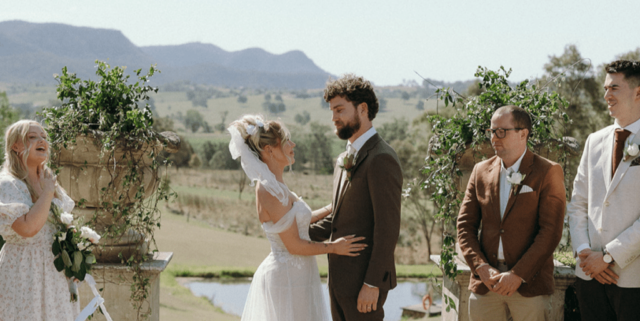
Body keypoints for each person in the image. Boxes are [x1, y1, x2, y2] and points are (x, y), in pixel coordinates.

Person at [231, 114, 366, 321]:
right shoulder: (268, 189)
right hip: (285, 278)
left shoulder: (276, 185)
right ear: (269, 150)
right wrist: (334, 247)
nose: (293, 144)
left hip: (298, 275)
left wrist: (333, 206)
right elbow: (294, 245)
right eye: (286, 141)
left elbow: (299, 220)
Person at [457, 105, 566, 321]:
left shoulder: (548, 171)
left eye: (501, 131)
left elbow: (550, 232)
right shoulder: (480, 171)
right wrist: (480, 267)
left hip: (529, 286)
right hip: (486, 285)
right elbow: (464, 227)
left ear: (523, 133)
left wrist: (518, 275)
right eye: (491, 131)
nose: (494, 138)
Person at [309, 74, 403, 321]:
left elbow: (388, 228)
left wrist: (372, 284)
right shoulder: (343, 159)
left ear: (363, 109)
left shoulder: (381, 158)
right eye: (332, 111)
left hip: (364, 284)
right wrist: (290, 233)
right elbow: (338, 219)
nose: (334, 118)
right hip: (338, 282)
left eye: (339, 110)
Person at [568, 60, 640, 321]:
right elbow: (577, 204)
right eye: (605, 88)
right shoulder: (594, 141)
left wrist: (608, 257)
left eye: (614, 88)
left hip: (634, 278)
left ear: (638, 92)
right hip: (589, 278)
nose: (606, 95)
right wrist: (587, 256)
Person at [0, 120, 80, 320]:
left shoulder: (48, 180)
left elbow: (64, 226)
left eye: (43, 137)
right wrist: (47, 192)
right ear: (15, 146)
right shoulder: (8, 184)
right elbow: (27, 228)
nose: (41, 140)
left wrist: (75, 263)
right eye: (32, 136)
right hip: (25, 272)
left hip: (57, 275)